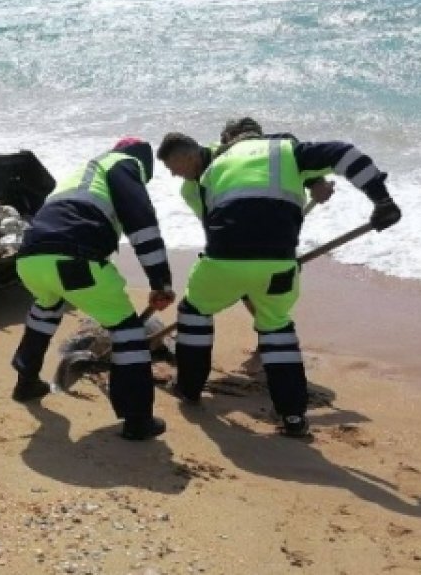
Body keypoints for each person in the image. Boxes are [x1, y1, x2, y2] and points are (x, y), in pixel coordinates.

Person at [155, 132, 401, 438]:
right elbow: (346, 154)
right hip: (279, 263)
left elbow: (225, 229)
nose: (173, 174)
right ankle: (294, 416)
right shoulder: (287, 151)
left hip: (224, 262)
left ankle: (189, 390)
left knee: (194, 313)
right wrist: (382, 200)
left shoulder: (211, 170)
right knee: (277, 329)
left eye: (173, 167)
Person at [9, 137, 175, 441]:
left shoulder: (86, 172)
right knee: (128, 333)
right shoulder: (127, 166)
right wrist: (160, 281)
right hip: (74, 259)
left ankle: (25, 381)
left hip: (30, 257)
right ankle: (138, 420)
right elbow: (143, 226)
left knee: (45, 311)